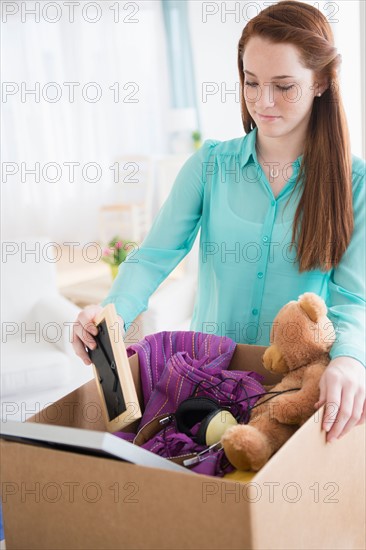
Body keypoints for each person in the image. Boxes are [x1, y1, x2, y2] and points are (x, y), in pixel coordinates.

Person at [72, 0, 365, 444]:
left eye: (284, 86)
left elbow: (353, 298)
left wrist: (349, 359)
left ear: (321, 81)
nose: (263, 102)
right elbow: (152, 258)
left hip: (292, 393)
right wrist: (107, 317)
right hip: (206, 384)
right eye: (251, 82)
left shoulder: (354, 185)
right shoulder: (209, 166)